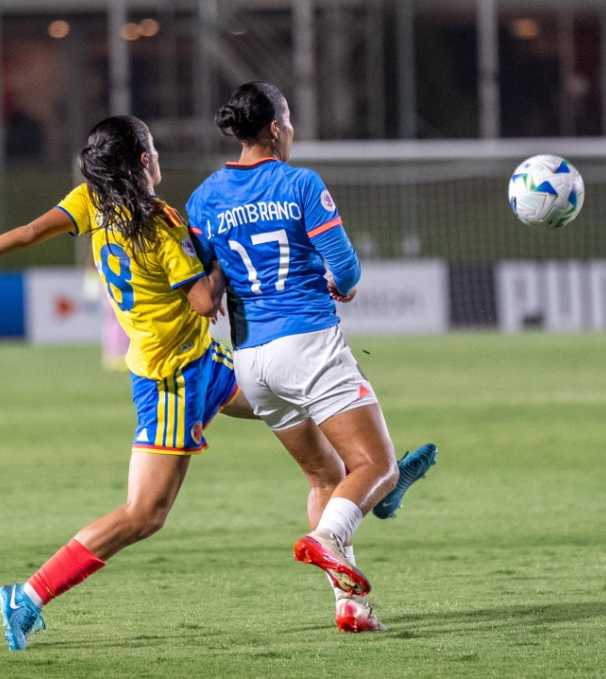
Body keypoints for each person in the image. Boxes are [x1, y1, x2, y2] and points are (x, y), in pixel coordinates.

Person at [0, 115, 257, 650]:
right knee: (144, 514)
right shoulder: (160, 222)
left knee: (286, 402)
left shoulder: (91, 200)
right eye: (153, 147)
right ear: (144, 159)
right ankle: (27, 595)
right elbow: (201, 301)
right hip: (172, 379)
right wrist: (222, 257)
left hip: (197, 359)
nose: (157, 154)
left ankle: (367, 478)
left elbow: (29, 233)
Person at [186, 82, 437, 632]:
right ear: (276, 128)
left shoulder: (204, 198)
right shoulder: (299, 183)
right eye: (291, 122)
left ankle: (349, 605)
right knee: (377, 466)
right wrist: (338, 285)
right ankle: (329, 535)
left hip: (252, 361)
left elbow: (204, 288)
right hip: (307, 345)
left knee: (325, 477)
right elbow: (345, 268)